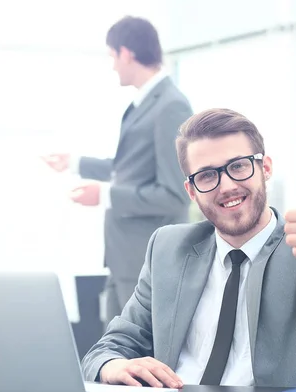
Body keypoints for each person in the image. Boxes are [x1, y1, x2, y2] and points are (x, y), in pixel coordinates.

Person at [81, 108, 296, 388]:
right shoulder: (167, 249)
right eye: (207, 175)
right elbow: (109, 348)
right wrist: (112, 365)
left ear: (265, 168)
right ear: (191, 191)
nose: (227, 185)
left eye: (238, 166)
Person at [42, 16, 193, 323]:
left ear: (126, 53)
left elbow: (175, 194)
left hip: (146, 260)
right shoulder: (145, 103)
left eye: (112, 56)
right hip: (125, 260)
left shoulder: (169, 105)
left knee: (138, 358)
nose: (112, 65)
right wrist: (74, 163)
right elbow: (129, 167)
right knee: (115, 355)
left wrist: (106, 195)